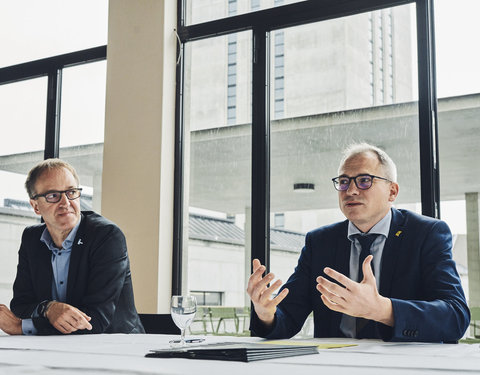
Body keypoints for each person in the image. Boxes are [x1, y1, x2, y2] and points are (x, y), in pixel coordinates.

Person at [248, 143, 470, 342]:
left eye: (364, 181)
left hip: (404, 365)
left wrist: (382, 309)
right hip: (337, 365)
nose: (351, 190)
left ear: (392, 191)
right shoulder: (319, 242)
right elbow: (287, 317)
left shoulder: (427, 233)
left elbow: (455, 316)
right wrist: (266, 314)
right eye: (344, 182)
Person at [0, 159, 144, 335]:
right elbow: (21, 305)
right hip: (55, 347)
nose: (66, 203)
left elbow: (94, 321)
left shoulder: (107, 236)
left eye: (71, 192)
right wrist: (49, 308)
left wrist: (21, 327)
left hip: (115, 347)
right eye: (53, 195)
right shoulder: (32, 238)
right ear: (35, 206)